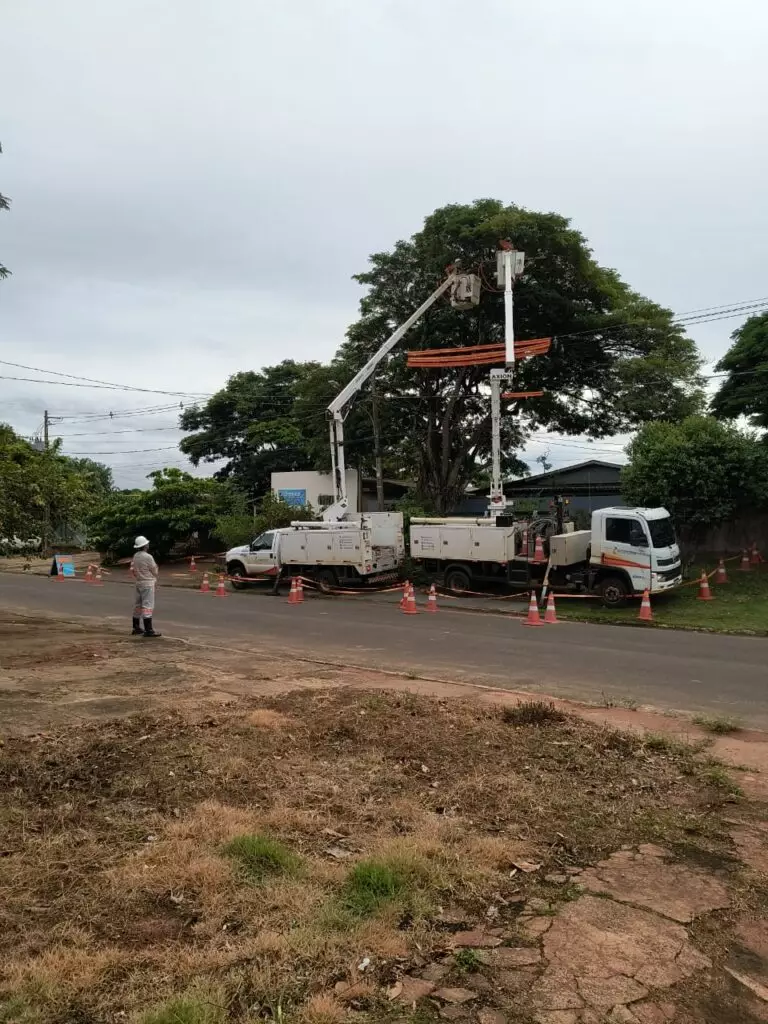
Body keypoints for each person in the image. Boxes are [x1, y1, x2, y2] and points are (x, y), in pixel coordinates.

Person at [130, 536, 161, 637]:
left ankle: (136, 627)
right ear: (145, 545)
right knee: (148, 605)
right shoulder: (148, 557)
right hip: (147, 583)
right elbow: (154, 570)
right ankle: (149, 630)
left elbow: (133, 570)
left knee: (138, 605)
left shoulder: (135, 556)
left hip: (139, 582)